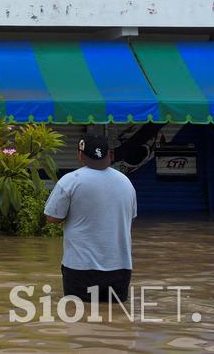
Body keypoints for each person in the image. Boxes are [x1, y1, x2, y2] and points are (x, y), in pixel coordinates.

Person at [44, 129, 137, 303]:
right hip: (120, 269)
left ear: (81, 155)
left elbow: (52, 218)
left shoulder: (70, 181)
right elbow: (129, 216)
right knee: (116, 322)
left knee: (79, 320)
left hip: (81, 268)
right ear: (109, 155)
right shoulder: (126, 182)